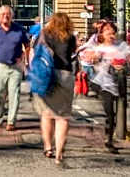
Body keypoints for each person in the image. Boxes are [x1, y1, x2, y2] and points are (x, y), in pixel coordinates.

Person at [33, 13, 77, 165]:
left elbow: (36, 52)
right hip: (65, 75)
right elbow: (72, 54)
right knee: (62, 116)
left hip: (47, 75)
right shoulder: (70, 37)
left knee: (46, 114)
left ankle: (48, 147)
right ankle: (59, 152)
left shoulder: (45, 34)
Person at [82, 20, 130, 153]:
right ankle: (108, 139)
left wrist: (123, 66)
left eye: (112, 32)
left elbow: (129, 65)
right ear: (102, 34)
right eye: (107, 31)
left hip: (118, 83)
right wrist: (96, 58)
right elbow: (90, 59)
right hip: (103, 83)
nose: (111, 34)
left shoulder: (121, 46)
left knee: (114, 114)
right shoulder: (99, 48)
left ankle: (109, 135)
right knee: (109, 113)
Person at [0, 5, 29, 131]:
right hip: (0, 66)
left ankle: (11, 121)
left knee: (14, 94)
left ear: (11, 16)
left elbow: (27, 45)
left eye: (8, 14)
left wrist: (23, 58)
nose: (5, 16)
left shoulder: (19, 30)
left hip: (15, 67)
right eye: (3, 14)